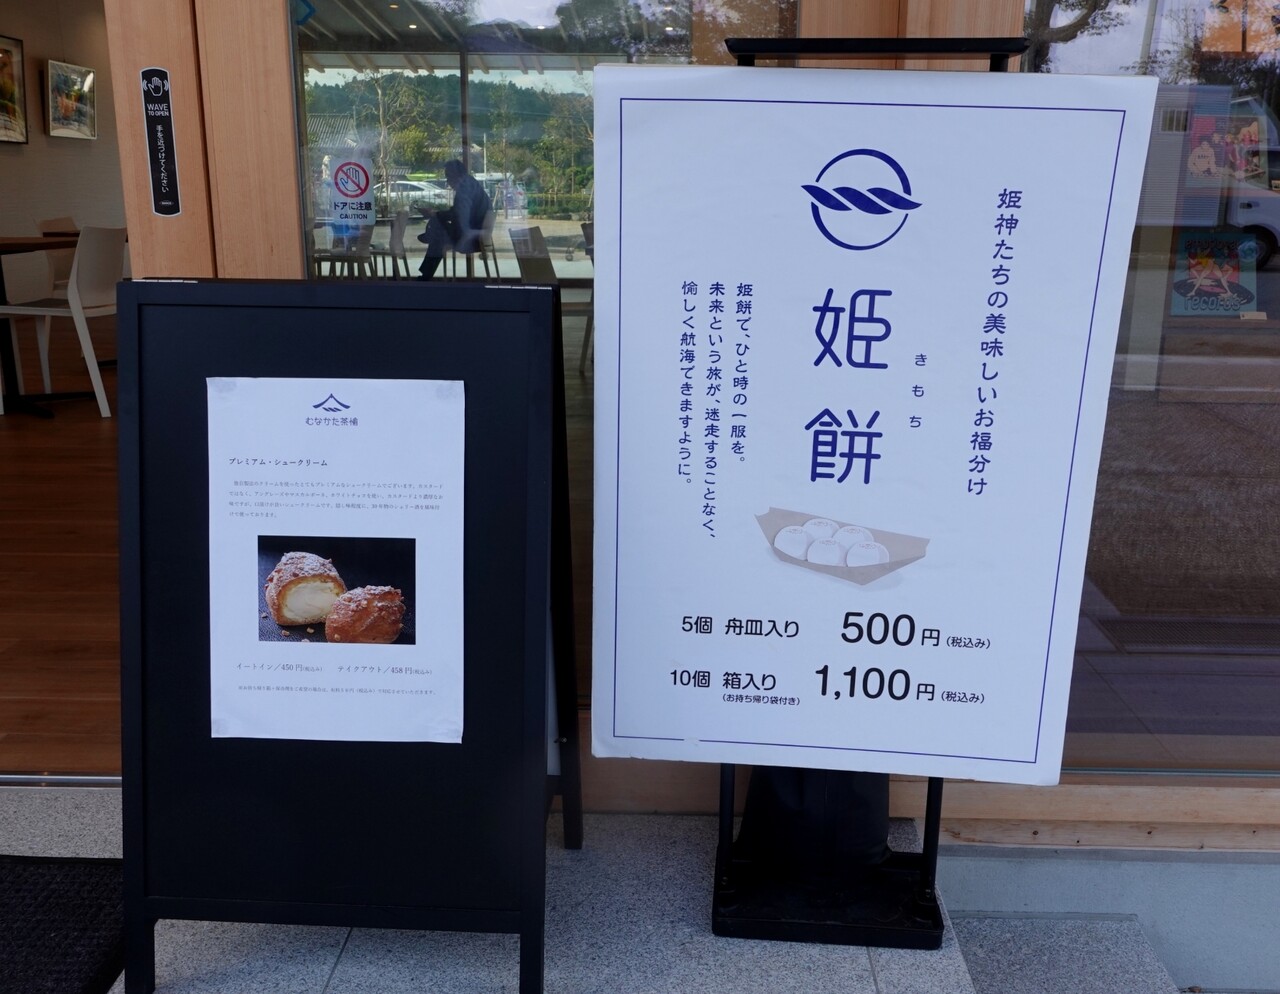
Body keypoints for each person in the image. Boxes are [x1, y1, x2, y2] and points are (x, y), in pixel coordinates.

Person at [416, 159, 492, 279]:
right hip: (478, 233)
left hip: (472, 237)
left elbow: (460, 216)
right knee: (438, 229)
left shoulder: (465, 188)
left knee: (438, 233)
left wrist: (435, 214)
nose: (447, 181)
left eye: (448, 176)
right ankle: (426, 274)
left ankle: (426, 275)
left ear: (456, 175)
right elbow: (459, 212)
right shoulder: (471, 184)